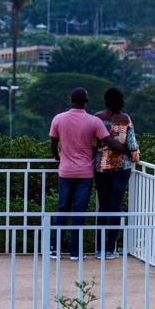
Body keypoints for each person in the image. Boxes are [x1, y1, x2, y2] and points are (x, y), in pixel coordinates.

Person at [49, 87, 130, 260]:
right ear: (86, 102)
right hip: (85, 172)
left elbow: (53, 146)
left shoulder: (58, 118)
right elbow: (111, 143)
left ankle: (55, 249)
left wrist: (58, 157)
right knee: (80, 210)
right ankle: (75, 252)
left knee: (62, 208)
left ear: (71, 100)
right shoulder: (93, 121)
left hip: (65, 171)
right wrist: (130, 151)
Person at [93, 87, 140, 259]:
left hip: (101, 167)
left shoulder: (97, 117)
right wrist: (132, 154)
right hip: (122, 168)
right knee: (115, 208)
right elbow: (132, 145)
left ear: (105, 101)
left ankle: (98, 249)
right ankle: (110, 249)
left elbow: (92, 143)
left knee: (103, 208)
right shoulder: (125, 119)